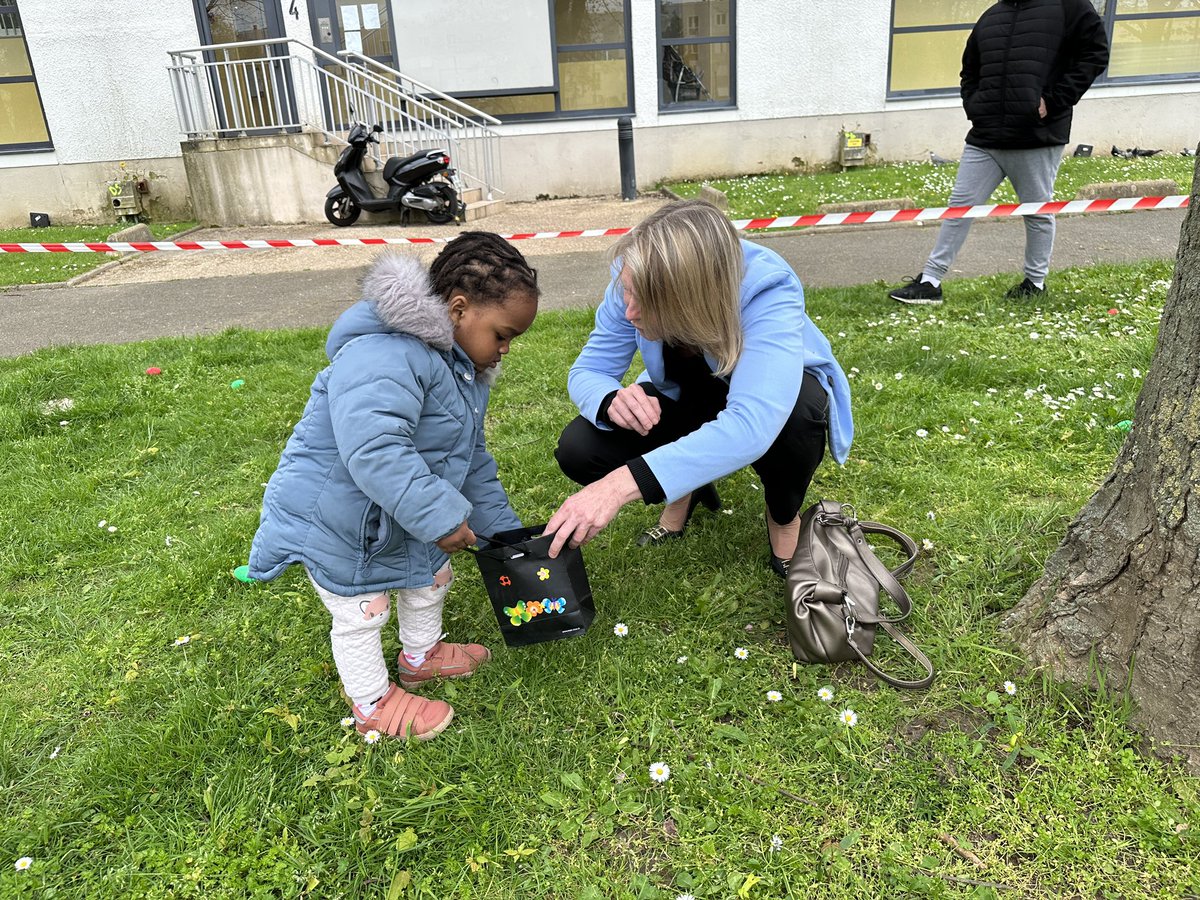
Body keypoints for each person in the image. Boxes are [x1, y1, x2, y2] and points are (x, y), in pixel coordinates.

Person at [248, 233, 539, 742]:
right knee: (364, 610)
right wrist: (441, 518)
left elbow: (470, 462)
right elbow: (375, 450)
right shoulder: (384, 354)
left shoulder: (460, 373)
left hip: (396, 514)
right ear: (458, 308)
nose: (506, 350)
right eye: (502, 334)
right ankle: (371, 704)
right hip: (344, 521)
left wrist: (509, 540)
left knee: (431, 577)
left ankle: (421, 657)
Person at [546, 200, 852, 575]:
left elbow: (752, 425)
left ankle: (784, 516)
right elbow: (589, 369)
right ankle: (684, 487)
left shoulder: (767, 289)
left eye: (646, 301)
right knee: (581, 448)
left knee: (799, 416)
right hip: (686, 393)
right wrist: (609, 398)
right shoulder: (634, 278)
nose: (629, 312)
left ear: (691, 298)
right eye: (627, 292)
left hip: (771, 398)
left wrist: (618, 486)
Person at [888, 0, 1109, 306]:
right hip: (985, 137)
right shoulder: (992, 15)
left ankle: (1034, 282)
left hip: (1036, 135)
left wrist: (1054, 101)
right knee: (959, 208)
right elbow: (970, 71)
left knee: (1037, 213)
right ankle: (930, 282)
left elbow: (1095, 54)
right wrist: (975, 107)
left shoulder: (1068, 6)